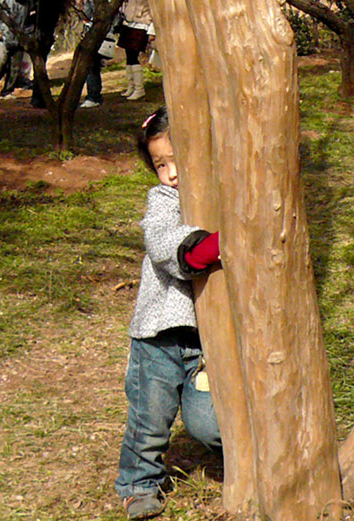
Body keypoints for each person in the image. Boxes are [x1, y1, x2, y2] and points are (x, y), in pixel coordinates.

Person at [115, 106, 222, 520]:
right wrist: (210, 246)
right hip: (159, 336)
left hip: (205, 341)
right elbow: (163, 243)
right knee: (150, 417)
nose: (172, 173)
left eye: (178, 159)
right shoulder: (162, 200)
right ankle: (138, 483)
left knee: (209, 420)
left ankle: (241, 458)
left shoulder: (221, 192)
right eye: (161, 163)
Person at [80, 0, 116, 108]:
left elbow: (110, 16)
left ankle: (93, 96)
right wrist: (87, 3)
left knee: (92, 65)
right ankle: (94, 95)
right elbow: (86, 15)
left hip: (103, 33)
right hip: (93, 31)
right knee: (92, 65)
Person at [118, 0, 153, 101]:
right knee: (129, 56)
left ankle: (139, 89)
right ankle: (131, 86)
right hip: (129, 23)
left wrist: (151, 29)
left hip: (141, 25)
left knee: (134, 56)